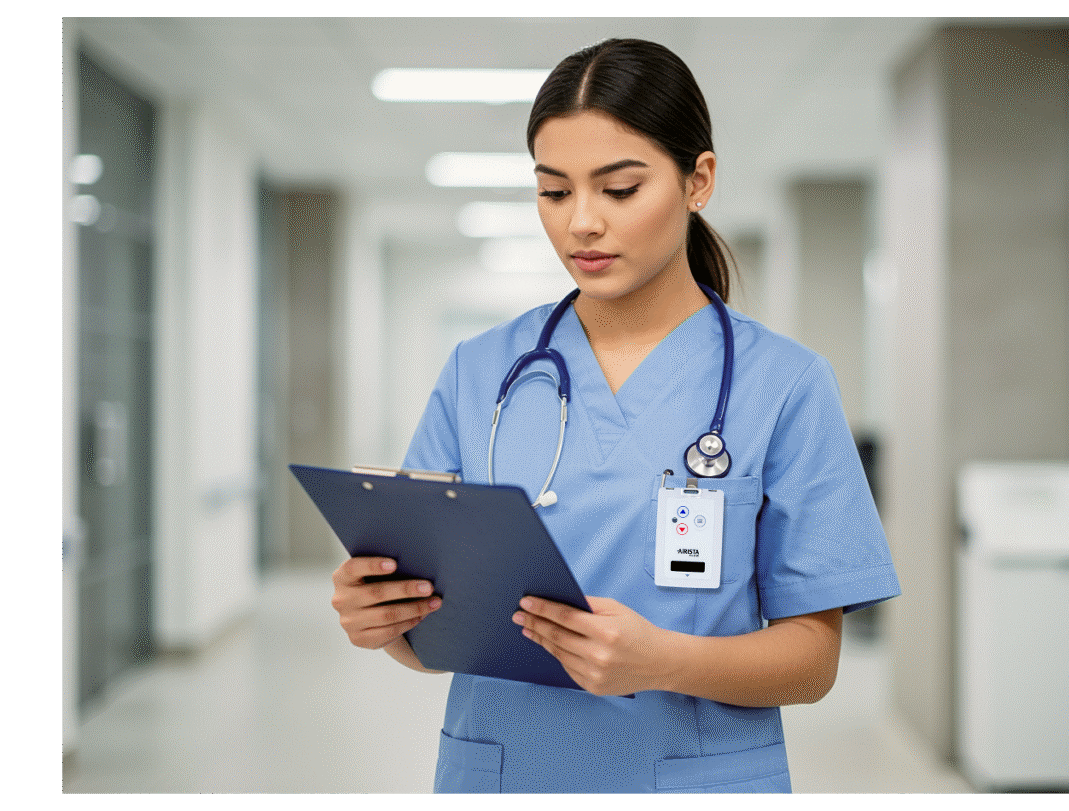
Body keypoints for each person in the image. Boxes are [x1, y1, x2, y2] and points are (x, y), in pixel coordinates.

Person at [330, 37, 900, 793]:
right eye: (554, 192)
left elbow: (813, 662)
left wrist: (664, 660)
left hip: (694, 782)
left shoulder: (784, 385)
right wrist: (385, 621)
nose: (581, 223)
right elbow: (435, 631)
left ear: (698, 181)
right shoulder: (479, 372)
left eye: (620, 190)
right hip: (500, 775)